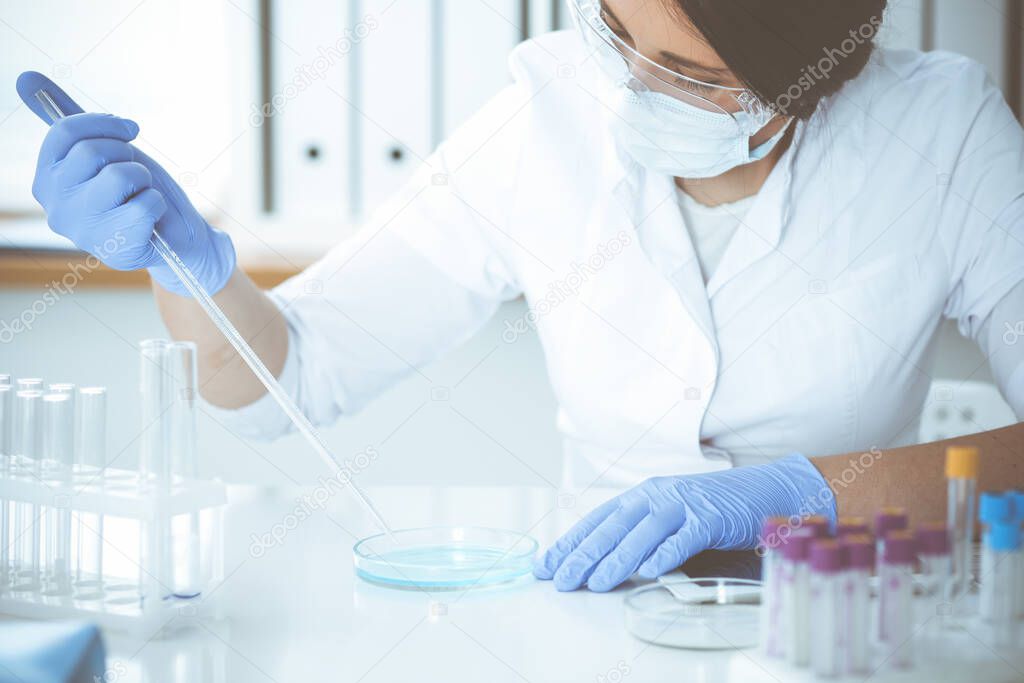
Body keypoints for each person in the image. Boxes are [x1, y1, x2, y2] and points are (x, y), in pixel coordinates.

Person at [27, 0, 1024, 592]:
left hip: (854, 616)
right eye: (617, 35)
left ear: (807, 79)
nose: (630, 90)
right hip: (597, 616)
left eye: (688, 75)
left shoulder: (942, 132)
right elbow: (285, 377)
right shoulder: (549, 110)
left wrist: (804, 495)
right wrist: (188, 267)